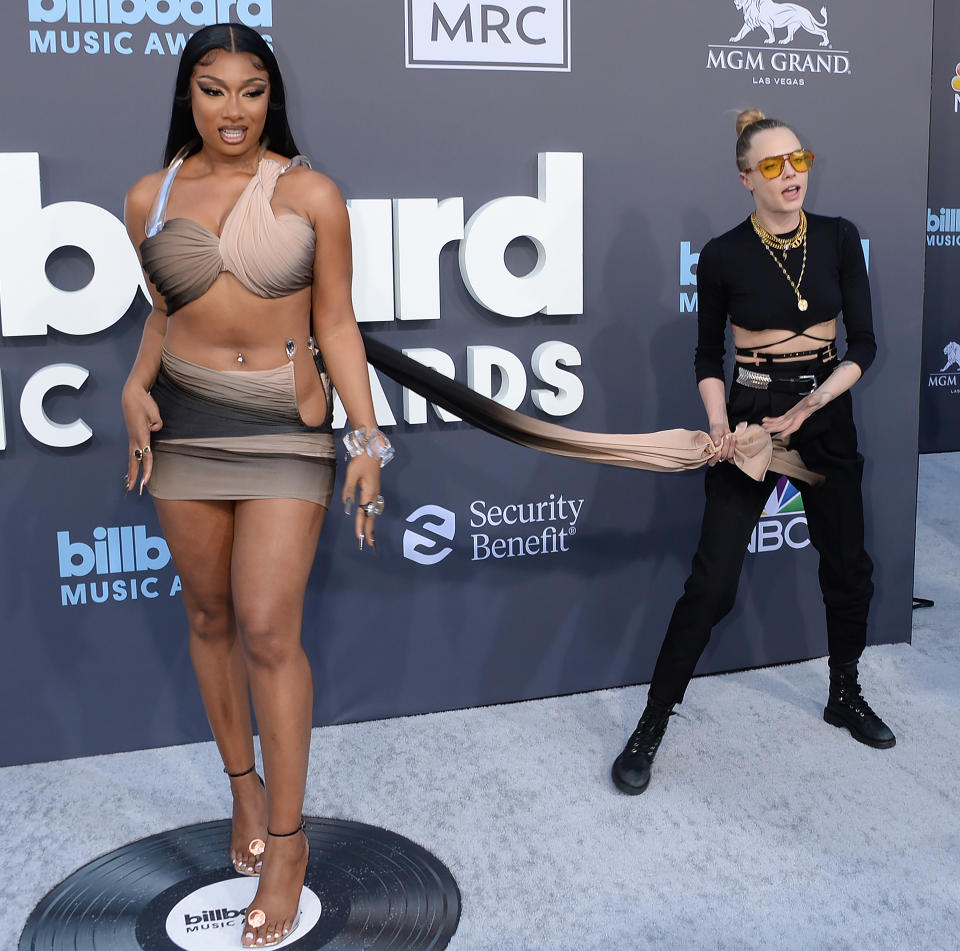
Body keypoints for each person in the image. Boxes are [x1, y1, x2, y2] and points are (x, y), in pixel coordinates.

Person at [121, 24, 392, 947]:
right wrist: (131, 383)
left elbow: (339, 324)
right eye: (213, 89)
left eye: (250, 90)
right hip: (185, 422)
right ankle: (244, 791)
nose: (232, 110)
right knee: (208, 618)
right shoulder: (148, 199)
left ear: (272, 96)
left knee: (270, 627)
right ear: (186, 95)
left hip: (285, 423)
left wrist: (366, 433)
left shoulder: (311, 192)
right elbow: (164, 317)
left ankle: (287, 841)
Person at [610, 109, 896, 797]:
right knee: (712, 583)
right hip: (750, 421)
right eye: (772, 165)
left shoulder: (837, 238)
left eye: (798, 159)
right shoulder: (723, 255)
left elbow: (864, 345)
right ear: (746, 179)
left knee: (849, 565)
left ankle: (844, 692)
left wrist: (815, 403)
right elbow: (710, 356)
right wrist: (718, 424)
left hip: (824, 413)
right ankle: (651, 723)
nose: (790, 173)